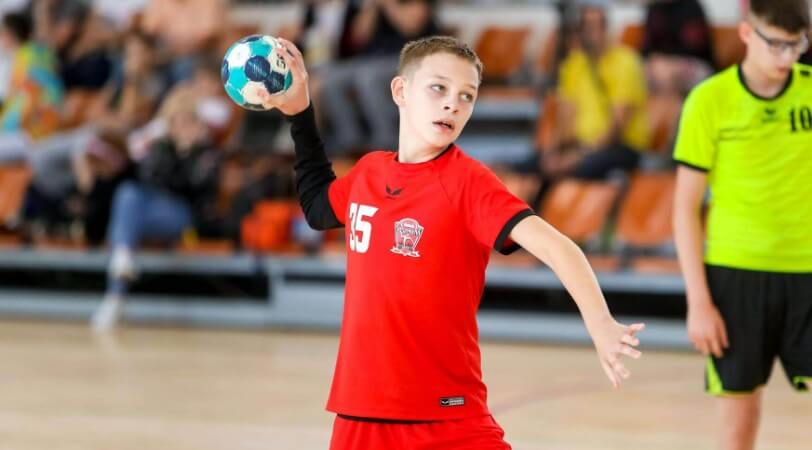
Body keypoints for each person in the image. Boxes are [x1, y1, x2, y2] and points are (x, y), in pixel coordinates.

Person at [260, 35, 645, 449]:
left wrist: (600, 324)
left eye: (467, 96)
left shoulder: (468, 182)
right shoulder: (370, 173)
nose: (453, 105)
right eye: (438, 88)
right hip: (360, 410)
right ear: (400, 91)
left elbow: (557, 246)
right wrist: (300, 113)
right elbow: (319, 208)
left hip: (447, 414)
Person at [672, 1, 812, 449]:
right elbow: (685, 208)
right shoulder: (709, 100)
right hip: (736, 275)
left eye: (797, 45)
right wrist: (698, 301)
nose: (787, 57)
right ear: (747, 33)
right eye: (777, 44)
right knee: (739, 424)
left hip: (807, 270)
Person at [90, 86, 223, 331]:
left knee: (125, 222)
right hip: (152, 209)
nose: (182, 128)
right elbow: (148, 178)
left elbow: (196, 189)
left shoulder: (207, 153)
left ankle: (116, 287)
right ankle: (119, 276)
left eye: (187, 122)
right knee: (127, 194)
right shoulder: (161, 147)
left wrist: (188, 153)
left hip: (183, 215)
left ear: (197, 123)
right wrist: (169, 152)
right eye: (177, 123)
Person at [542, 0, 650, 181]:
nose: (589, 33)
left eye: (595, 26)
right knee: (535, 166)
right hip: (582, 146)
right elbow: (564, 118)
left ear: (606, 28)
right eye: (584, 27)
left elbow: (616, 129)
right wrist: (551, 152)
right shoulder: (574, 64)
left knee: (583, 168)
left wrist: (578, 156)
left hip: (620, 147)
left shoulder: (625, 62)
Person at [319, 0, 438, 154]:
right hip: (373, 59)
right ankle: (350, 141)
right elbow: (359, 37)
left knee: (368, 77)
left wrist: (389, 5)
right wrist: (372, 8)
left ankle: (386, 140)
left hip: (410, 57)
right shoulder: (375, 6)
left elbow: (410, 27)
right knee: (332, 78)